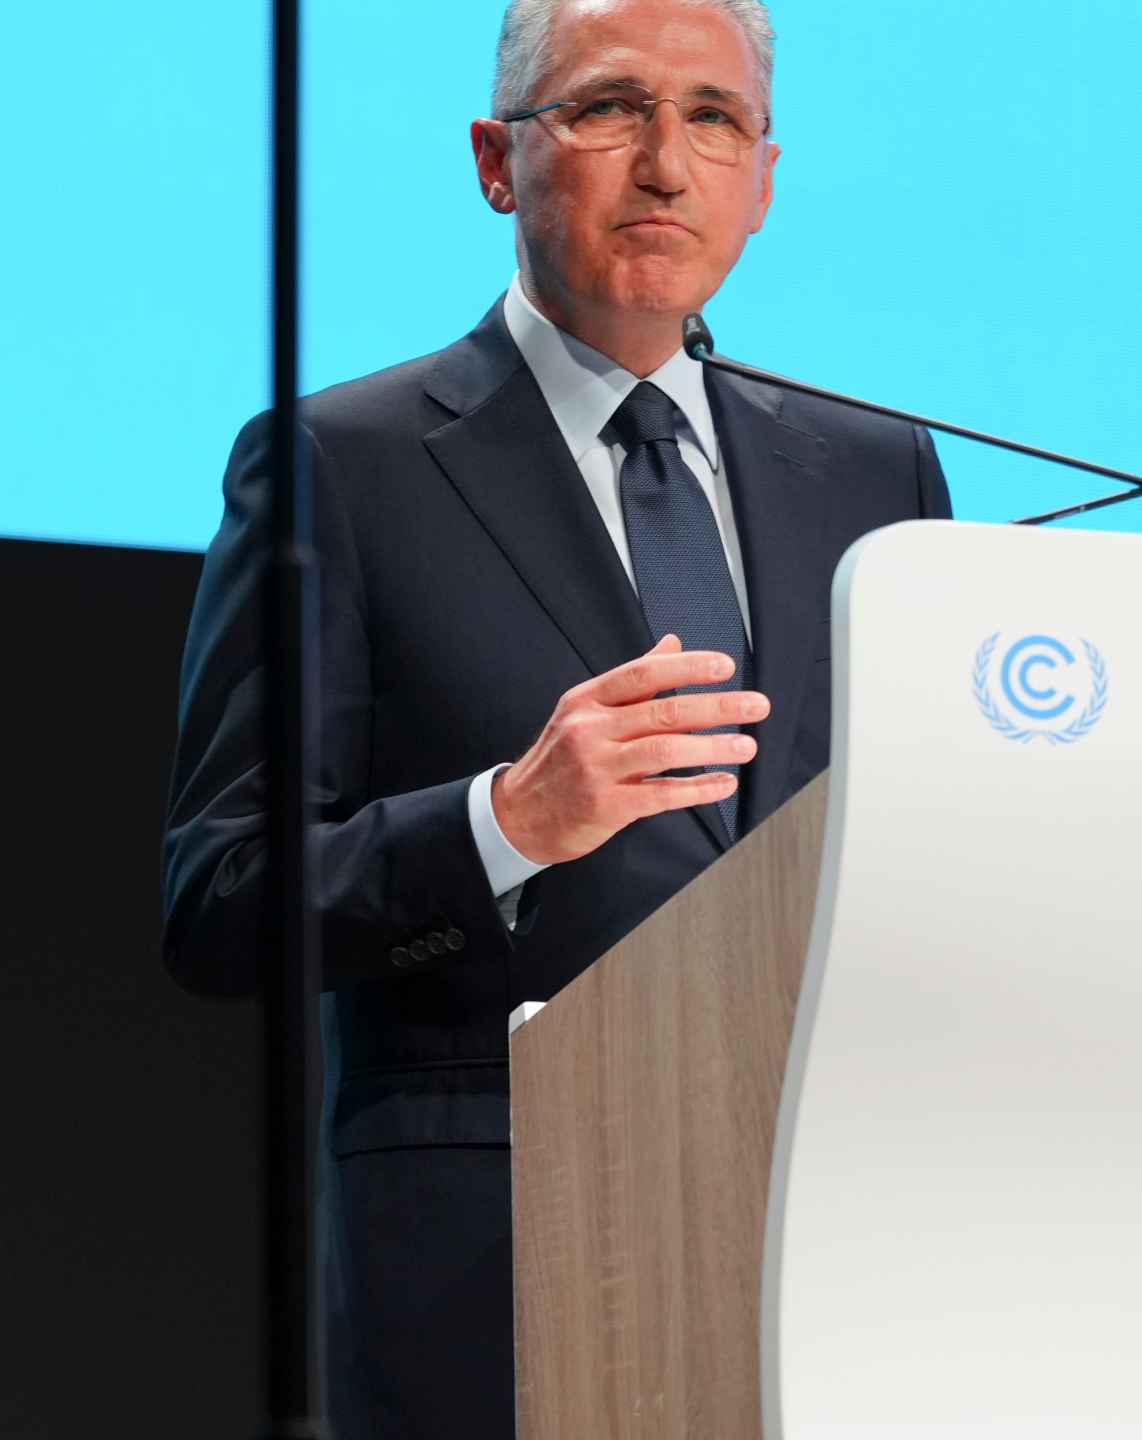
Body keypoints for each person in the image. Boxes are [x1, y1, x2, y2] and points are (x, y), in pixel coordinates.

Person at [161, 0, 950, 1434]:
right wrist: (504, 824)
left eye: (712, 119)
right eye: (608, 108)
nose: (666, 163)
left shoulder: (876, 474)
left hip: (843, 1256)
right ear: (495, 159)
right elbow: (223, 898)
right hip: (504, 1257)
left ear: (764, 177)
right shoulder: (342, 465)